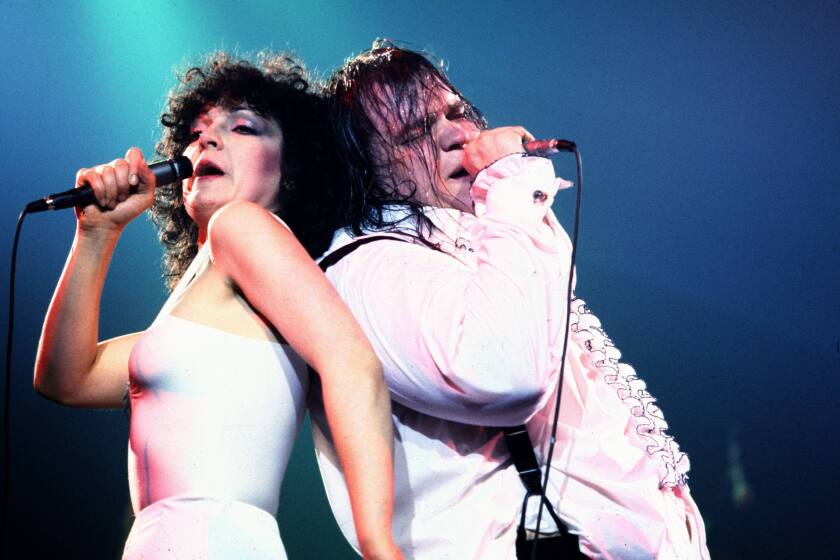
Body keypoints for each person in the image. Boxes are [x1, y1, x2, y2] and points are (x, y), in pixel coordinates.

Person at [308, 42, 710, 559]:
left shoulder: (477, 242)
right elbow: (503, 374)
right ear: (366, 169)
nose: (456, 134)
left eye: (455, 112)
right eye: (415, 132)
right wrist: (507, 186)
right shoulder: (368, 267)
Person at [33, 52, 401, 560]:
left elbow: (354, 363)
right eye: (197, 129)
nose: (205, 138)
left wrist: (379, 545)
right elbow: (66, 379)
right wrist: (97, 233)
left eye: (244, 127)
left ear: (292, 168)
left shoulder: (243, 224)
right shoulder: (199, 305)